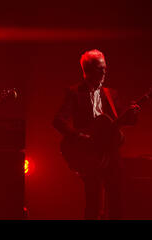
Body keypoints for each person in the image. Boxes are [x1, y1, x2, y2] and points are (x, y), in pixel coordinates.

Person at [52, 49, 140, 219]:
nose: (105, 71)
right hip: (89, 155)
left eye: (105, 68)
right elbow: (58, 120)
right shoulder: (75, 92)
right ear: (88, 70)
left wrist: (133, 114)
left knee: (117, 202)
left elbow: (123, 120)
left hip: (110, 153)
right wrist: (79, 137)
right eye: (101, 68)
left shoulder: (111, 94)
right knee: (93, 203)